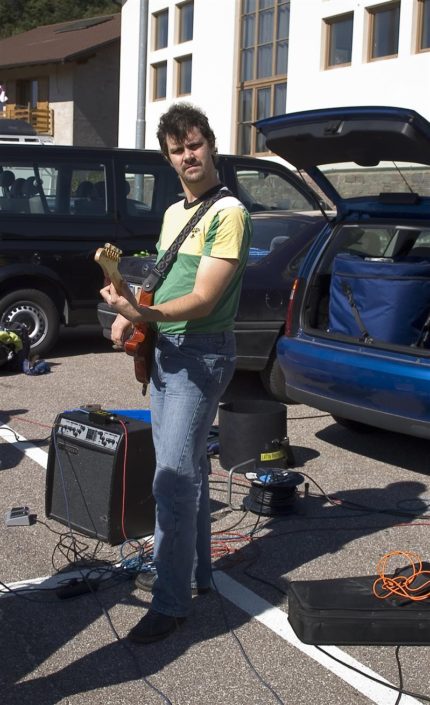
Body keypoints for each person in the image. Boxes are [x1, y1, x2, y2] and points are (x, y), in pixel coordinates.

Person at [100, 102, 252, 644]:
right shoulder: (174, 213)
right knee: (184, 473)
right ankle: (197, 575)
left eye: (194, 145)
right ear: (169, 158)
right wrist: (131, 318)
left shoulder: (228, 213)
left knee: (173, 480)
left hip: (202, 353)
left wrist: (144, 315)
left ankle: (171, 603)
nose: (188, 156)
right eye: (177, 150)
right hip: (169, 350)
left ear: (211, 144)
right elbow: (165, 283)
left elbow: (205, 297)